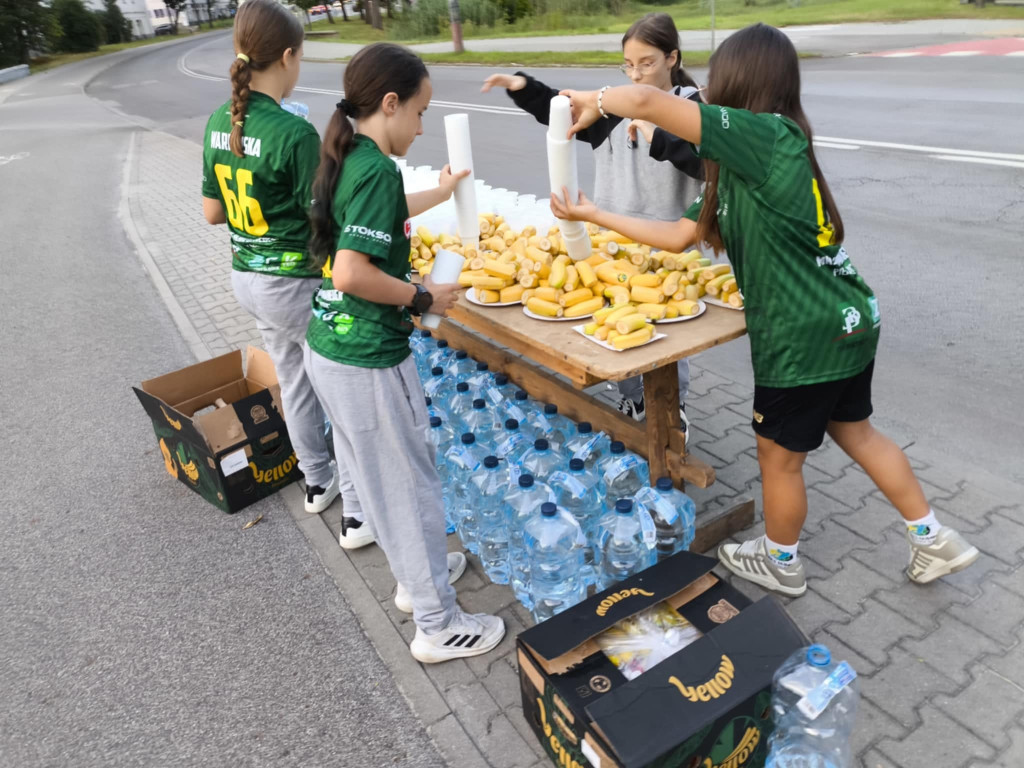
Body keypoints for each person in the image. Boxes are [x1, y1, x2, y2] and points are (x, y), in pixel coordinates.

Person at [549, 23, 978, 597]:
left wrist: (589, 100)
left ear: (737, 81)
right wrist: (592, 216)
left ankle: (781, 561)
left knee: (779, 461)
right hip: (847, 317)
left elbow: (649, 100)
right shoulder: (746, 159)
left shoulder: (766, 135)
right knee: (859, 433)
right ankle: (934, 539)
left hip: (800, 336)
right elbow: (679, 236)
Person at [302, 43, 505, 662]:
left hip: (330, 348)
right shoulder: (374, 168)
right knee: (408, 486)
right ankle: (437, 625)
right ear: (389, 104)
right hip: (366, 355)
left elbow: (376, 219)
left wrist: (440, 195)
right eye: (419, 113)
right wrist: (421, 296)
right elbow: (350, 271)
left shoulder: (351, 156)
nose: (421, 126)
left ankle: (418, 584)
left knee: (379, 479)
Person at [200, 0, 369, 545]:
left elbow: (212, 212)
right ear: (289, 56)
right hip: (295, 285)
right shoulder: (292, 134)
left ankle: (317, 483)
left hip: (247, 278)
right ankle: (358, 513)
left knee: (294, 380)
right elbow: (328, 217)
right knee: (338, 388)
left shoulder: (219, 121)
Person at [482, 12, 702, 429]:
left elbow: (705, 164)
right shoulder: (611, 107)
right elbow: (561, 109)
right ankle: (633, 400)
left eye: (647, 63)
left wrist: (660, 134)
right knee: (617, 329)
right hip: (612, 243)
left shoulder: (692, 109)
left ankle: (673, 411)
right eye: (629, 65)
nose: (636, 74)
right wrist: (521, 87)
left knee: (665, 338)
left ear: (672, 57)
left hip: (666, 246)